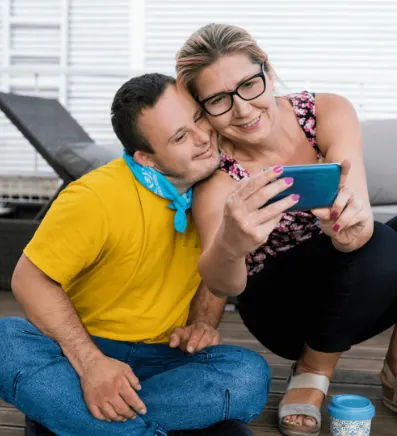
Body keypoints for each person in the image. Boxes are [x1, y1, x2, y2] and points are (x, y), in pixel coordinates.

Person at [0, 73, 271, 436]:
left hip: (166, 362)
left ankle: (77, 420)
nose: (204, 138)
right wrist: (92, 365)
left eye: (197, 119)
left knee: (248, 373)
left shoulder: (222, 188)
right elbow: (28, 279)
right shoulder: (94, 197)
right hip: (79, 352)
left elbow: (216, 262)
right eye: (179, 137)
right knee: (5, 339)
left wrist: (202, 322)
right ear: (148, 158)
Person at [175, 23, 397, 436]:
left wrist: (350, 226)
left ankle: (396, 368)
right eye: (219, 100)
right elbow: (222, 282)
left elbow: (358, 209)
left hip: (355, 282)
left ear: (268, 72)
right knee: (384, 245)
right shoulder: (218, 179)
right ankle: (312, 371)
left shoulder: (328, 111)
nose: (242, 110)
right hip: (281, 311)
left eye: (248, 85)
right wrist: (231, 244)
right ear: (202, 109)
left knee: (379, 242)